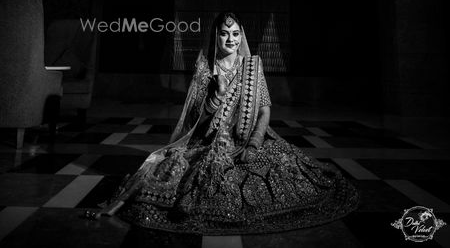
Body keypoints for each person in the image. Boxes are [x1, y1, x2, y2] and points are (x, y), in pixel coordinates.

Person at [91, 12, 359, 234]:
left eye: (235, 34)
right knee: (174, 169)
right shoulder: (206, 67)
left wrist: (254, 142)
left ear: (241, 35)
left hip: (248, 138)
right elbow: (196, 119)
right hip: (209, 140)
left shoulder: (252, 65)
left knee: (282, 165)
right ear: (215, 36)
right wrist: (216, 97)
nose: (230, 39)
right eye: (224, 33)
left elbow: (264, 109)